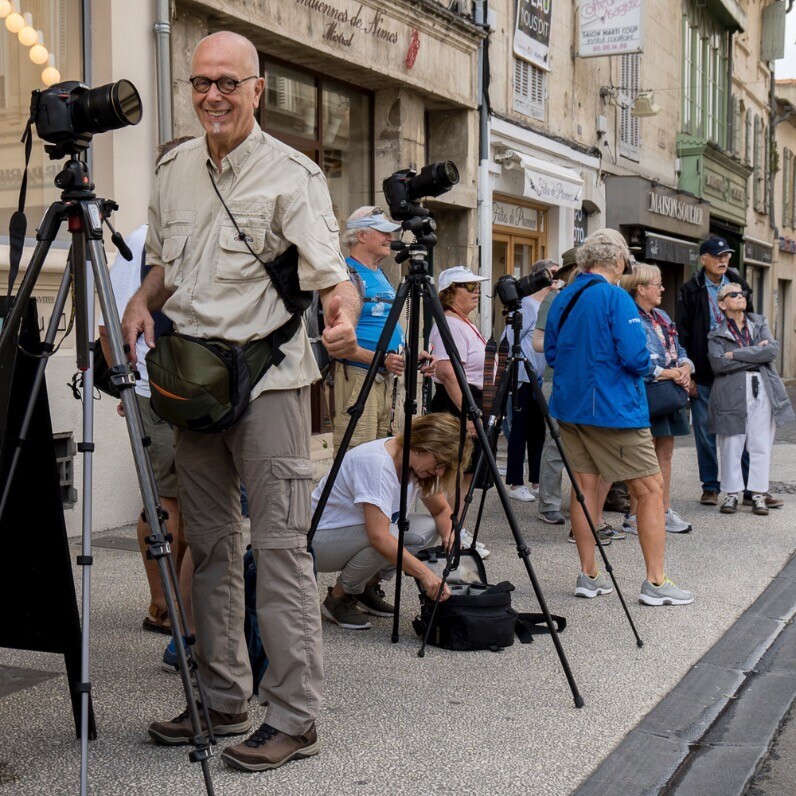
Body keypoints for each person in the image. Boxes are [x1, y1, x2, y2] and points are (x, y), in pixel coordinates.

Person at [122, 32, 359, 772]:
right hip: (194, 389)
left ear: (257, 89)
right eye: (200, 83)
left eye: (228, 82)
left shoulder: (294, 175)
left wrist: (344, 314)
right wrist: (138, 300)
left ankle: (295, 716)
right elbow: (166, 262)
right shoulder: (172, 170)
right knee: (215, 548)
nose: (212, 96)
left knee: (282, 552)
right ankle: (224, 697)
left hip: (272, 388)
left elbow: (332, 274)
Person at [544, 229, 694, 607]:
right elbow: (636, 357)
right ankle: (656, 583)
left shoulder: (564, 297)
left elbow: (550, 353)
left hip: (571, 406)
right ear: (619, 262)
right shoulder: (615, 297)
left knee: (585, 489)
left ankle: (589, 574)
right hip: (614, 410)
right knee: (650, 491)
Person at [311, 412, 472, 629]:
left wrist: (450, 535)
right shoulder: (377, 464)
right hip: (317, 541)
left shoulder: (417, 464)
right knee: (390, 536)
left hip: (349, 537)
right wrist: (427, 575)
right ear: (423, 445)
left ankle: (366, 586)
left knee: (428, 528)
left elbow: (442, 510)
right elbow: (379, 537)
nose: (440, 471)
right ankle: (338, 599)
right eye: (440, 463)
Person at [532, 252, 625, 544]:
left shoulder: (600, 297)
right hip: (556, 379)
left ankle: (588, 515)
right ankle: (549, 503)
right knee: (556, 444)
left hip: (589, 384)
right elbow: (539, 341)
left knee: (589, 453)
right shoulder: (556, 299)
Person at [675, 238, 774, 509]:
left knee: (745, 432)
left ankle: (750, 490)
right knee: (707, 433)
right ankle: (710, 486)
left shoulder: (740, 286)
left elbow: (753, 329)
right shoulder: (691, 290)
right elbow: (682, 334)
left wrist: (741, 357)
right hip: (706, 372)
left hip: (739, 374)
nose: (724, 260)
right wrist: (690, 374)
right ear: (703, 258)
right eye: (718, 255)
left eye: (727, 256)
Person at [333, 206, 435, 450]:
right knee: (356, 453)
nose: (390, 238)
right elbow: (337, 345)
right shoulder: (346, 275)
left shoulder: (379, 274)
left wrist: (409, 355)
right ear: (361, 236)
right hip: (358, 376)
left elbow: (382, 326)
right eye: (382, 232)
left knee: (381, 453)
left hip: (382, 377)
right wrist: (380, 360)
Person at [707, 284, 794, 515]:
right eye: (734, 294)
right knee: (731, 443)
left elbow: (771, 352)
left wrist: (735, 354)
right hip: (730, 392)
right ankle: (732, 494)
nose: (741, 296)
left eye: (742, 293)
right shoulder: (716, 332)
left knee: (760, 443)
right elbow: (718, 363)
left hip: (762, 387)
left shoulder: (760, 323)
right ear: (722, 304)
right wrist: (756, 353)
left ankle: (758, 494)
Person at [620, 264, 693, 534]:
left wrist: (686, 368)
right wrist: (674, 373)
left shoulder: (661, 315)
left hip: (669, 392)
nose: (662, 288)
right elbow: (640, 361)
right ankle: (636, 514)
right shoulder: (630, 317)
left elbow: (679, 348)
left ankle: (662, 509)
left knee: (666, 453)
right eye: (657, 284)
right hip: (647, 393)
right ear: (640, 289)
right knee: (643, 456)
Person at [428, 265, 490, 557]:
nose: (475, 291)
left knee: (466, 474)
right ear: (451, 292)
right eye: (468, 286)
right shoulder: (450, 324)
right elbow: (449, 373)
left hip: (471, 399)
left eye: (476, 286)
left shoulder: (464, 321)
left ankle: (458, 530)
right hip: (458, 403)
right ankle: (451, 532)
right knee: (455, 472)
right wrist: (468, 413)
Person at [503, 259, 550, 504]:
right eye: (552, 274)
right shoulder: (527, 305)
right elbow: (511, 339)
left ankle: (535, 479)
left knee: (538, 430)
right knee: (519, 429)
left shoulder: (546, 306)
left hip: (538, 377)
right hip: (522, 376)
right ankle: (515, 482)